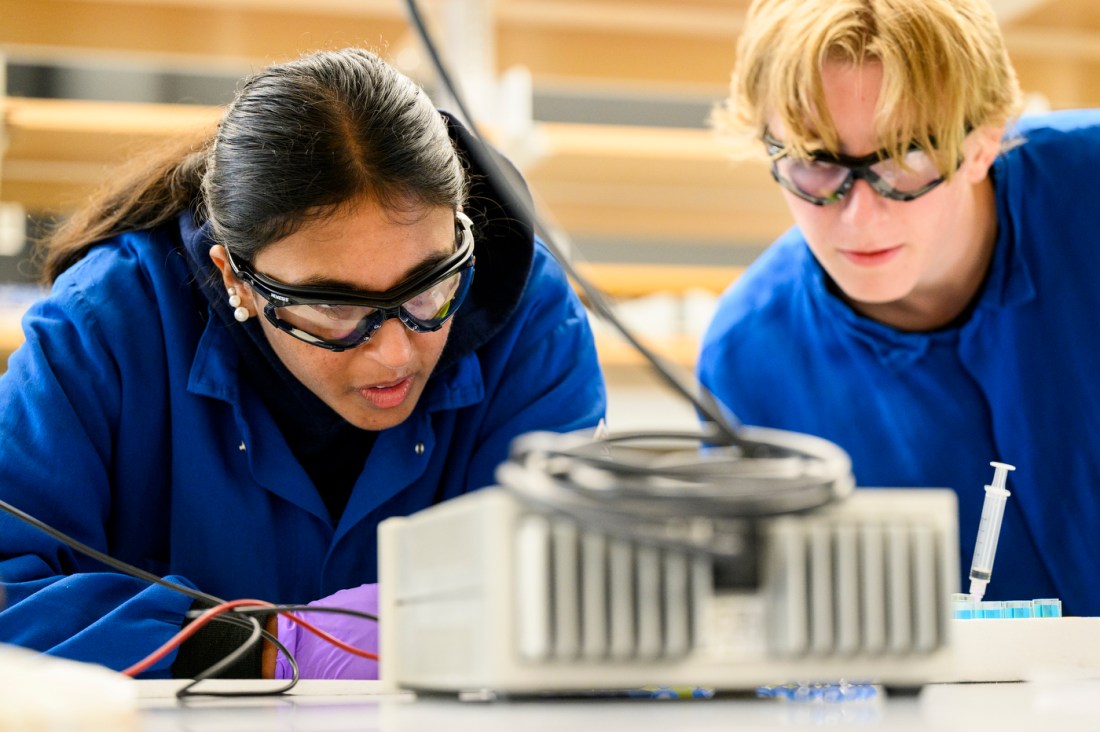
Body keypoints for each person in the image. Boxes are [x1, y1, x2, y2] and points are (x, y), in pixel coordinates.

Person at [0, 48, 606, 679]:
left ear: (460, 231)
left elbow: (566, 595)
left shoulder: (532, 319)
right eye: (334, 307)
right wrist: (261, 646)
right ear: (234, 276)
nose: (396, 353)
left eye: (428, 286)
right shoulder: (102, 325)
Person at [699, 0, 1100, 615]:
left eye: (908, 155)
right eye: (814, 161)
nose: (859, 217)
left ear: (984, 140)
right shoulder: (749, 360)